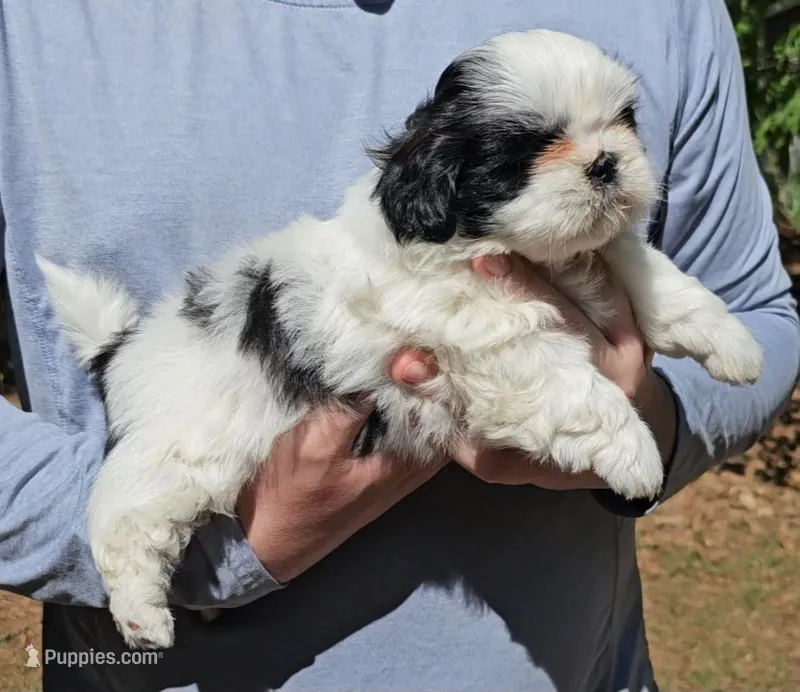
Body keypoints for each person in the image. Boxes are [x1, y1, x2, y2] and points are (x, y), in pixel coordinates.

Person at [0, 0, 797, 690]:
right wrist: (210, 539)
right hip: (162, 640)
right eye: (537, 151)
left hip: (582, 671)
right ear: (442, 185)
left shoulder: (667, 14)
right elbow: (487, 339)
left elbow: (759, 311)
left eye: (622, 122)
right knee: (169, 466)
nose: (601, 157)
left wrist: (655, 413)